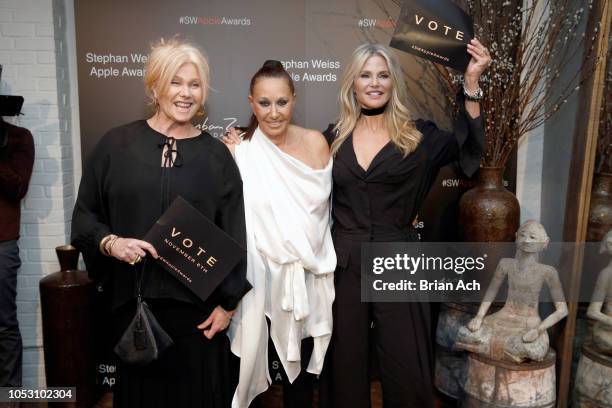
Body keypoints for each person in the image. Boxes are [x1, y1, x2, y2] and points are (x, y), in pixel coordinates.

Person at [71, 38, 250, 408]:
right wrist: (111, 243)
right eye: (175, 82)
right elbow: (85, 218)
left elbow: (234, 233)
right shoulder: (116, 146)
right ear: (155, 86)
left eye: (195, 84)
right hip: (136, 313)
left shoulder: (216, 157)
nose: (186, 93)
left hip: (199, 319)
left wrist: (228, 305)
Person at [319, 41, 490, 407]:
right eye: (365, 75)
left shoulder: (419, 137)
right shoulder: (332, 139)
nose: (374, 83)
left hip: (399, 258)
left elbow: (470, 151)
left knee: (405, 362)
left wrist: (472, 84)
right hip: (344, 262)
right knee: (344, 362)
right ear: (353, 83)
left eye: (383, 75)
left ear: (394, 82)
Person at [222, 60, 335, 408]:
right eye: (264, 103)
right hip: (259, 284)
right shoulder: (241, 150)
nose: (274, 112)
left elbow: (322, 215)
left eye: (282, 102)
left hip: (308, 282)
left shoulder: (317, 143)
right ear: (251, 103)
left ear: (294, 100)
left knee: (299, 381)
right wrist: (233, 158)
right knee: (252, 364)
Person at [456, 220, 568, 363]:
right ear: (516, 237)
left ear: (544, 242)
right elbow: (491, 292)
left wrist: (538, 330)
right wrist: (479, 317)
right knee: (464, 334)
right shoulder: (505, 264)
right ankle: (506, 352)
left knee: (532, 349)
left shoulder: (548, 272)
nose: (526, 240)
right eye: (522, 235)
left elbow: (562, 310)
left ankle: (493, 349)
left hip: (529, 323)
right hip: (502, 317)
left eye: (533, 237)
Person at [0, 117, 34, 387]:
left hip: (2, 243)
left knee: (3, 324)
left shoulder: (17, 137)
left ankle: (9, 397)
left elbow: (17, 188)